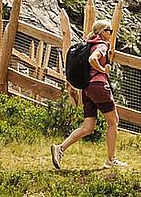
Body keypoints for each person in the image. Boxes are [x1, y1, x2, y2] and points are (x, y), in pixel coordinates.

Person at [50, 19, 124, 169]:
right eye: (109, 30)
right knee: (113, 121)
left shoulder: (90, 43)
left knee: (88, 127)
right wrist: (103, 70)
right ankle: (111, 159)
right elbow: (92, 59)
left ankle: (60, 148)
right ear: (102, 32)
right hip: (98, 86)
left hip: (87, 88)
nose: (111, 33)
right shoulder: (102, 45)